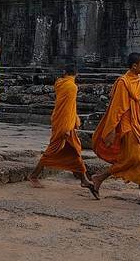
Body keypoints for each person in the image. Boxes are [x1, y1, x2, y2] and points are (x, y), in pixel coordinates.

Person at [91, 52, 140, 207]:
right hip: (126, 126)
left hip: (135, 123)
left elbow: (136, 105)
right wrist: (111, 128)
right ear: (134, 66)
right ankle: (99, 177)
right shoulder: (123, 82)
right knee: (136, 158)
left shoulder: (137, 80)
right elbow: (117, 108)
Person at [28, 65, 98, 199]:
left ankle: (84, 180)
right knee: (53, 149)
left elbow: (69, 106)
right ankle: (33, 175)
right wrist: (68, 126)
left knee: (75, 150)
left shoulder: (60, 83)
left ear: (65, 73)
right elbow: (67, 108)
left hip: (60, 120)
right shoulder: (72, 87)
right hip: (65, 124)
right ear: (76, 75)